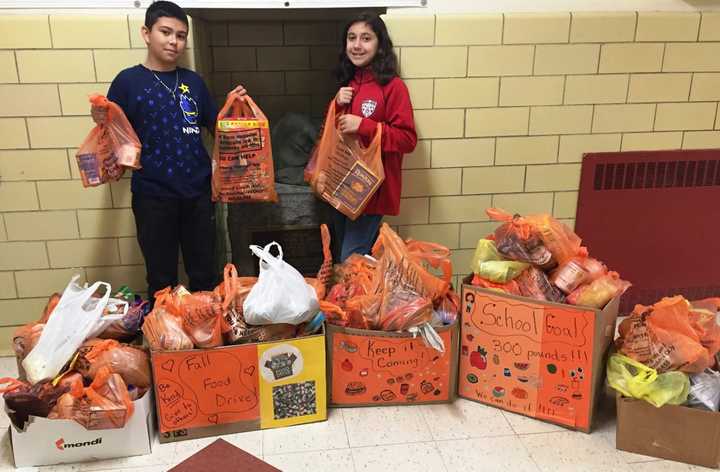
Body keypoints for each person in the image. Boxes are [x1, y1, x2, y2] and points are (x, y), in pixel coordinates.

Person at [91, 1, 246, 301]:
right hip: (152, 195)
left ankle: (208, 340)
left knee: (204, 274)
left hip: (198, 194)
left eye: (181, 35)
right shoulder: (127, 81)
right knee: (161, 277)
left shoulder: (193, 82)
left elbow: (217, 128)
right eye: (166, 32)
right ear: (146, 33)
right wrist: (100, 118)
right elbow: (113, 131)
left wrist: (230, 106)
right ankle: (166, 340)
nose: (174, 41)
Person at [331, 12, 417, 262]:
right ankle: (364, 300)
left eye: (366, 38)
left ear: (380, 45)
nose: (357, 45)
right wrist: (336, 105)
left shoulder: (393, 87)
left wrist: (364, 126)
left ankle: (359, 300)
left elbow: (407, 140)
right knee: (346, 260)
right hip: (342, 187)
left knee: (351, 261)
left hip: (372, 193)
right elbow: (334, 134)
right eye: (351, 38)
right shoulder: (349, 83)